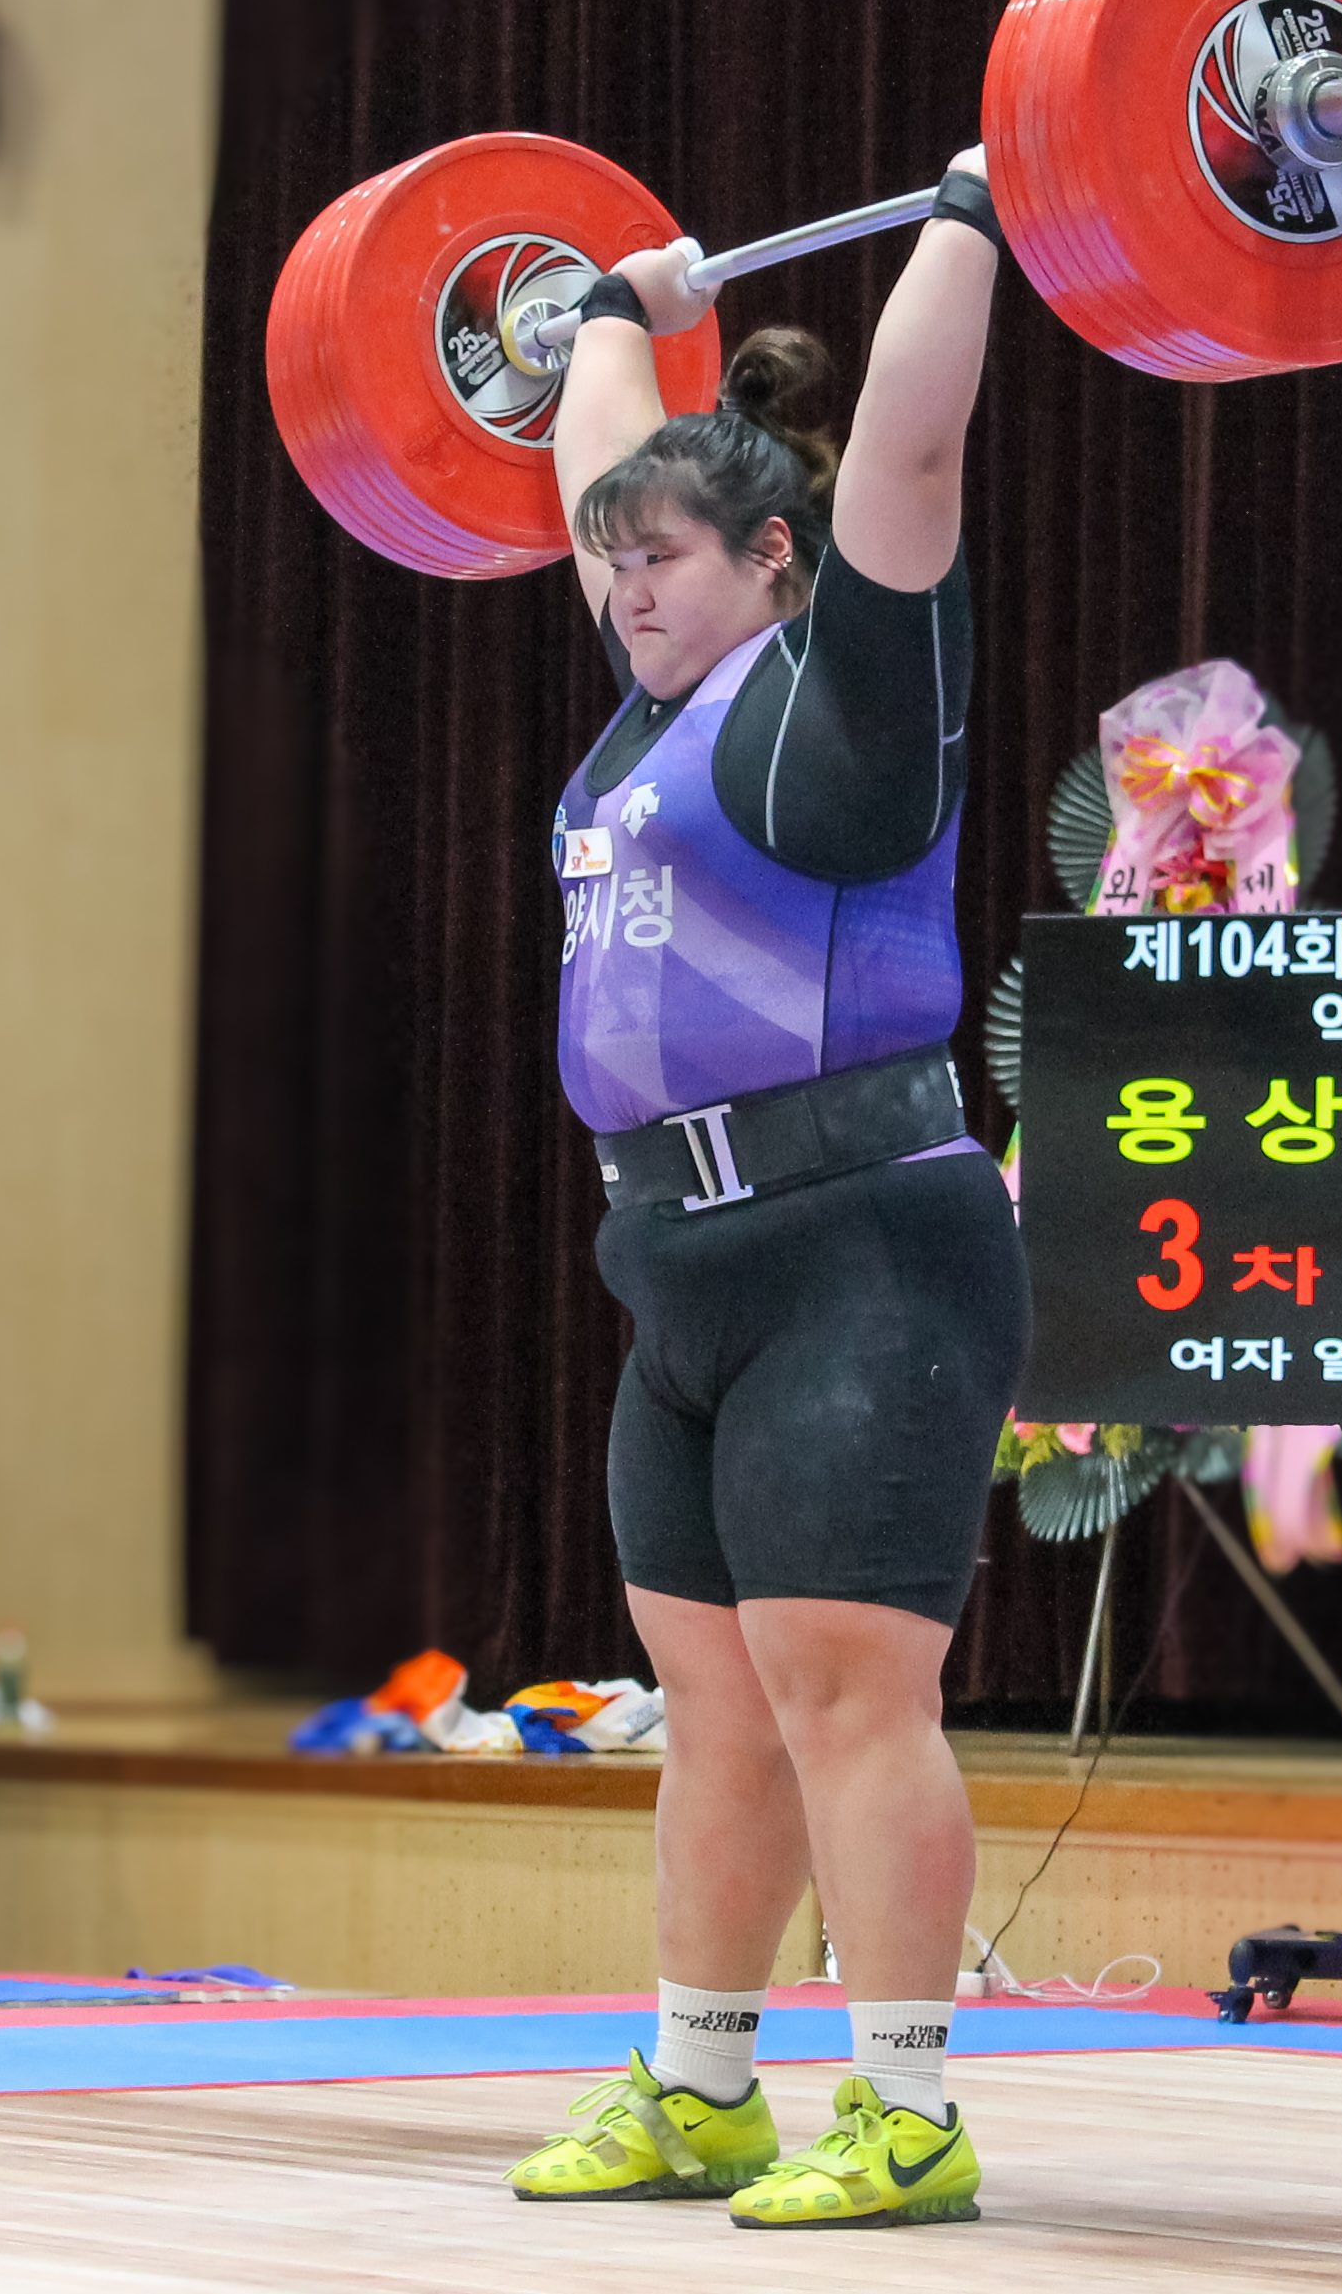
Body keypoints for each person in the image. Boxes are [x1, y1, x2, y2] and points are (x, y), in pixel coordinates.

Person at [493, 151, 1021, 2233]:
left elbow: (913, 431)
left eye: (667, 559)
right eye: (612, 559)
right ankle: (702, 2081)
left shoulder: (847, 701)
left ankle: (902, 2106)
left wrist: (974, 215)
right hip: (678, 1266)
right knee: (710, 1701)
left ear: (777, 558)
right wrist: (613, 299)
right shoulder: (640, 722)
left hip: (864, 1250)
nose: (624, 584)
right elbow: (590, 454)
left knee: (839, 1685)